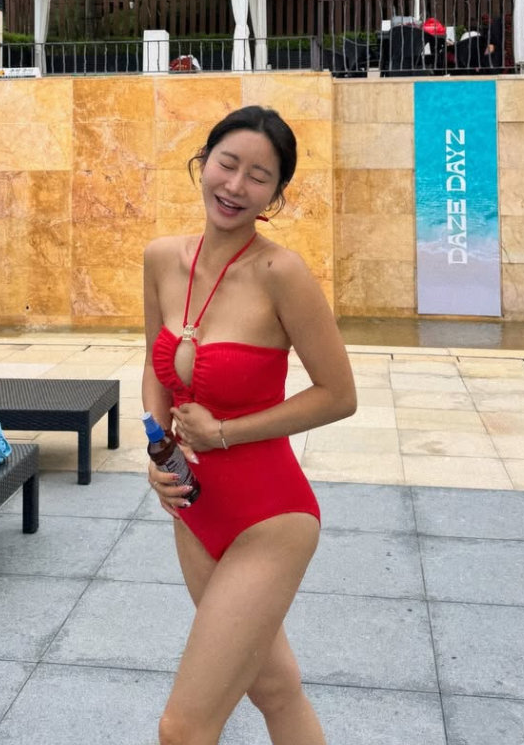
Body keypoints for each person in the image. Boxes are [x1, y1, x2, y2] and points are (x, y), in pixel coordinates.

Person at [142, 105, 357, 745]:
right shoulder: (162, 259)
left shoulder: (280, 274)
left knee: (183, 728)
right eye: (227, 164)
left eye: (258, 177)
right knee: (275, 689)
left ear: (276, 194)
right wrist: (158, 449)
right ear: (203, 163)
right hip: (194, 509)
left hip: (269, 516)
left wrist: (224, 433)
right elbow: (154, 361)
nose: (235, 186)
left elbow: (339, 395)